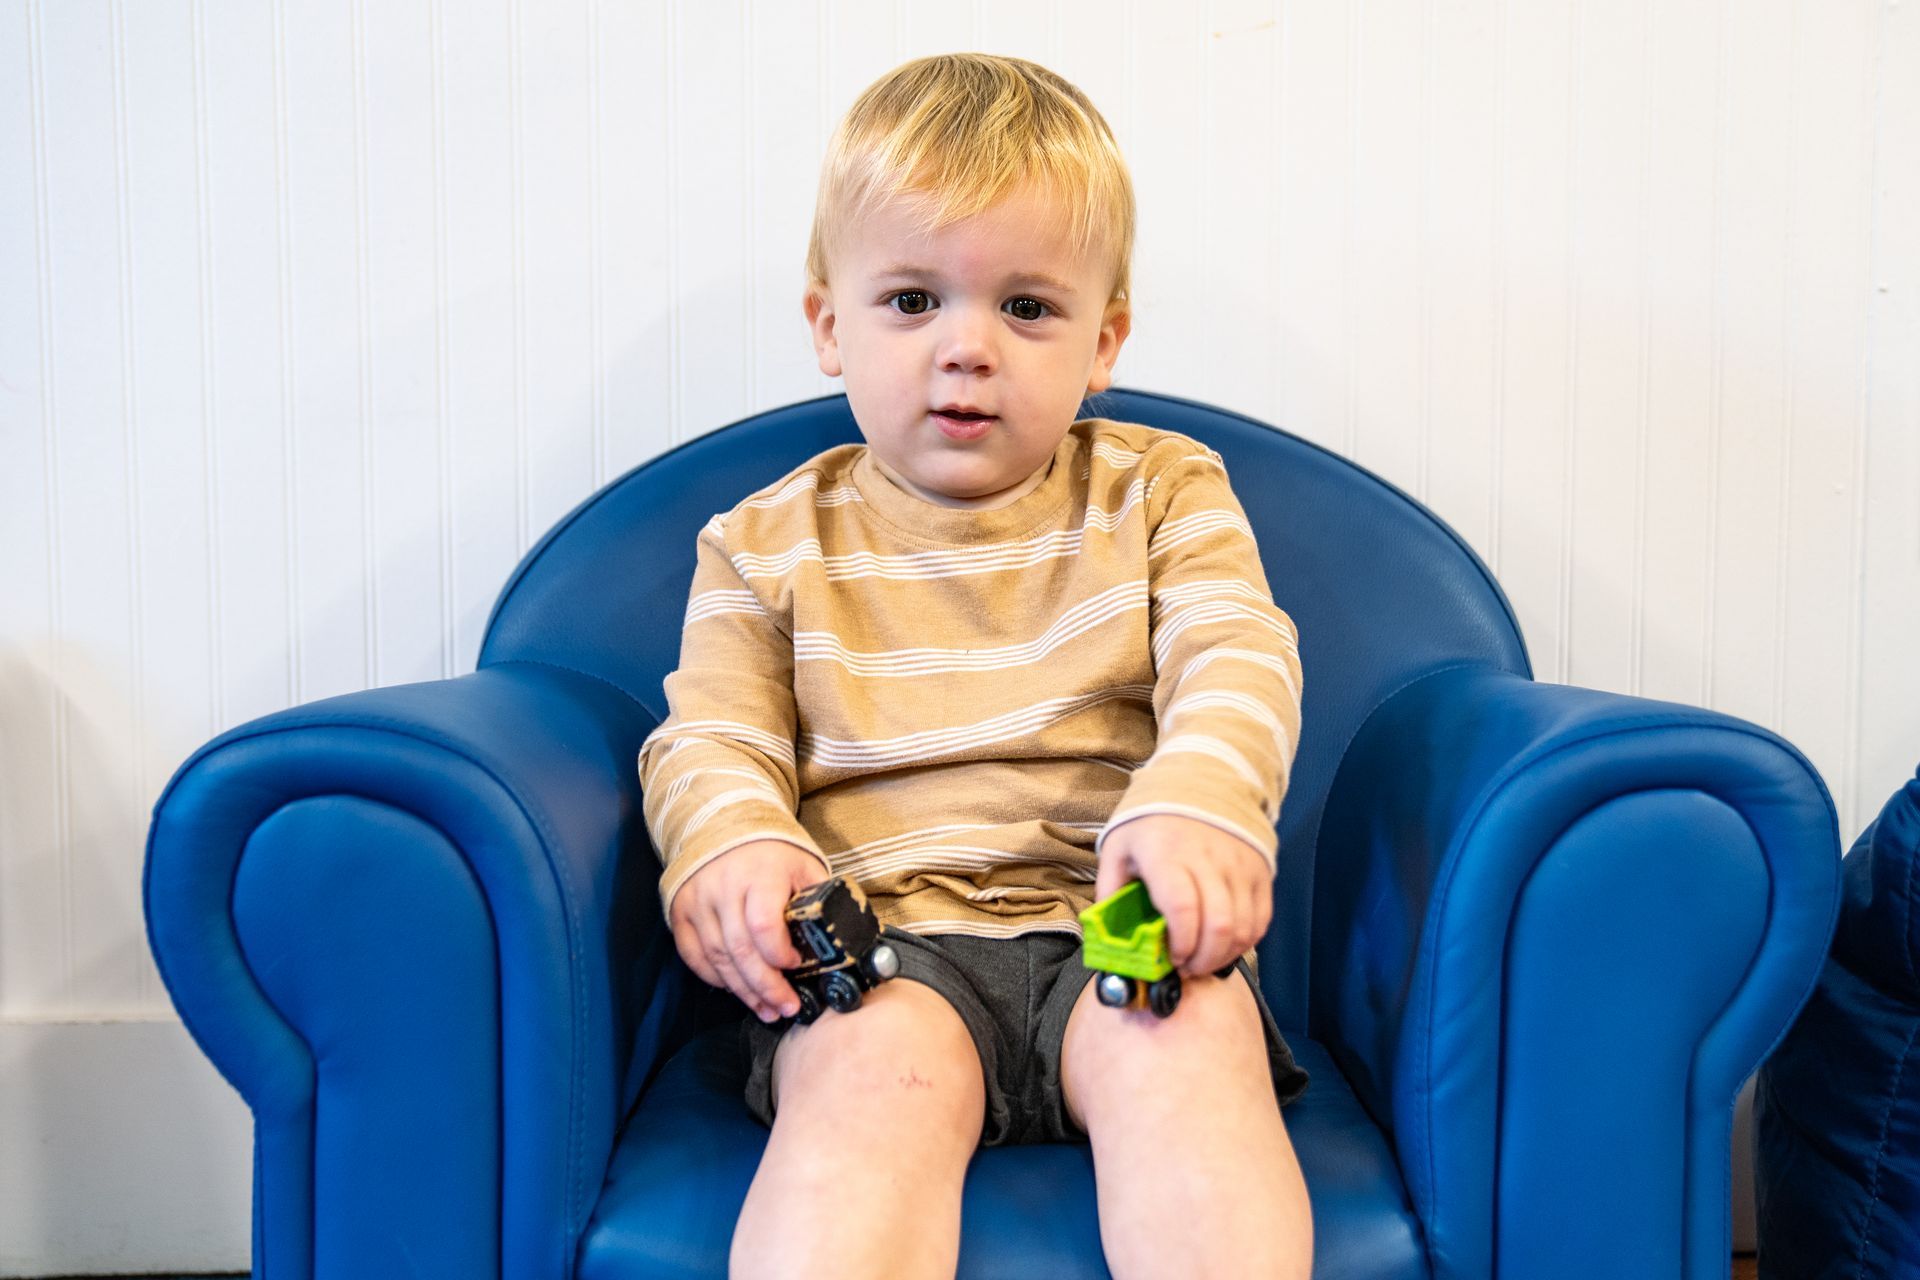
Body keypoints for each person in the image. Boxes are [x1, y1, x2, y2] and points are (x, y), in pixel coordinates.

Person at [636, 52, 1312, 1280]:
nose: (967, 348)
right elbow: (709, 736)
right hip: (886, 942)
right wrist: (732, 842)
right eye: (910, 301)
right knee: (866, 1089)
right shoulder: (759, 543)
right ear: (827, 324)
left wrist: (1201, 801)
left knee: (1193, 1055)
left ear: (1103, 340)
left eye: (1028, 308)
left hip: (1118, 917)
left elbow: (1236, 651)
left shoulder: (1162, 490)